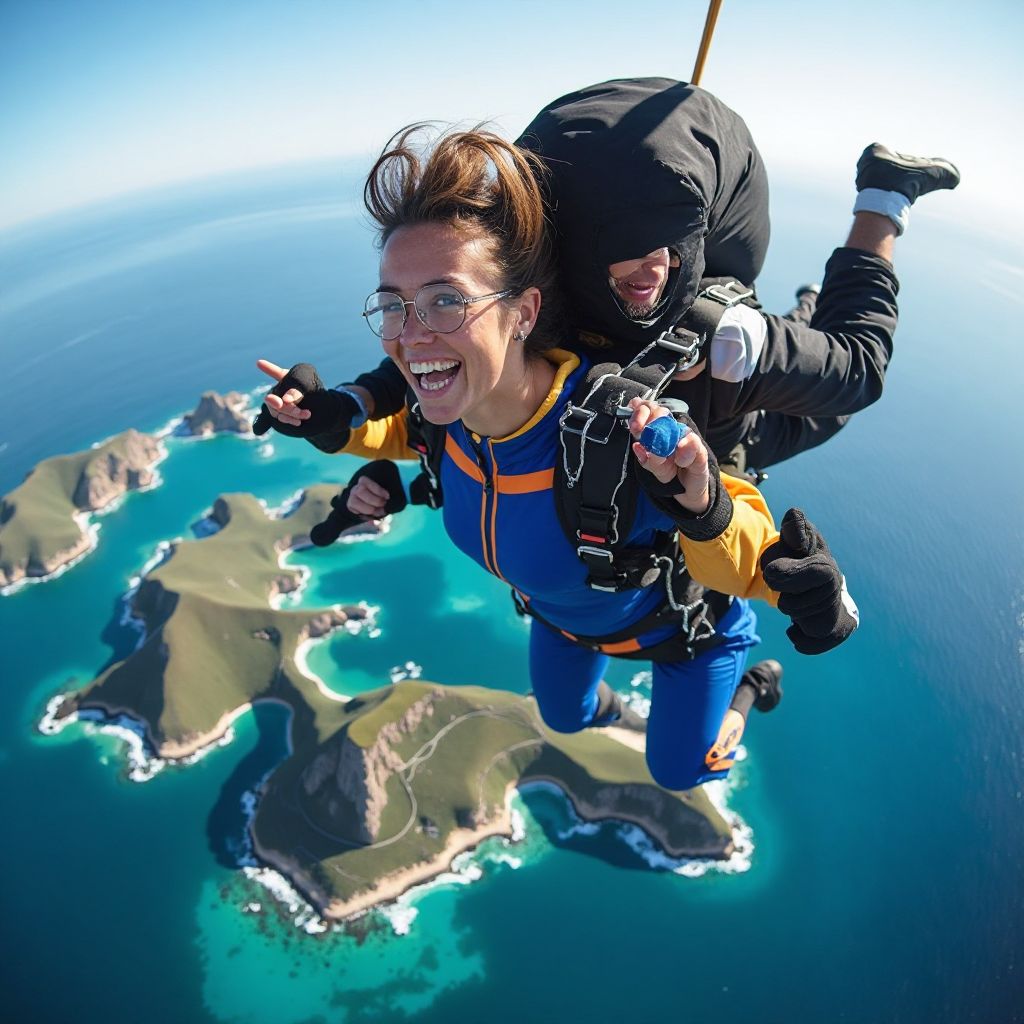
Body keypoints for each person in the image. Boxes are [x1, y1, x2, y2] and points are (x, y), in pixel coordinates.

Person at [255, 126, 857, 792]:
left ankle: (749, 686)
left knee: (682, 768)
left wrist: (793, 583)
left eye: (445, 299)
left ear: (522, 312)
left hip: (687, 633)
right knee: (564, 719)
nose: (410, 333)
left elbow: (724, 522)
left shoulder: (610, 428)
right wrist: (329, 423)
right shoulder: (445, 414)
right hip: (565, 621)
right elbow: (399, 436)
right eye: (394, 304)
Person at [276, 78, 959, 479]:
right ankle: (810, 302)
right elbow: (447, 340)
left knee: (844, 383)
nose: (655, 264)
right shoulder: (534, 299)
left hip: (740, 420)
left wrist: (749, 348)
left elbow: (859, 372)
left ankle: (883, 197)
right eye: (625, 248)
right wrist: (353, 404)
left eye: (670, 241)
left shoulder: (720, 338)